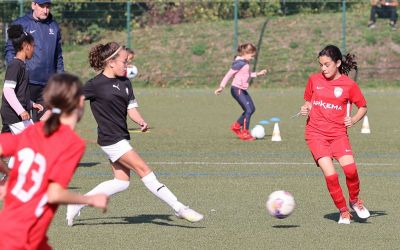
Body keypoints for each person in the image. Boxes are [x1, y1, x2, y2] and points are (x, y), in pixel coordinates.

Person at [66, 42, 203, 226]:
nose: (127, 66)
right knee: (145, 171)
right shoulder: (95, 85)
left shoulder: (125, 82)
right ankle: (180, 208)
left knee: (122, 182)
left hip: (120, 136)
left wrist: (140, 120)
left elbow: (131, 108)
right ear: (111, 62)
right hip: (111, 139)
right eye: (124, 61)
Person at [0, 73, 108, 249]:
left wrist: (9, 175)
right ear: (80, 102)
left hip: (14, 230)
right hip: (24, 237)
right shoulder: (72, 143)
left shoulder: (33, 130)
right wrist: (90, 200)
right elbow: (53, 193)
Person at [298, 45, 370, 225]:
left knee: (351, 171)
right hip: (315, 134)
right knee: (331, 174)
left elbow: (363, 106)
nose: (323, 69)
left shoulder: (349, 85)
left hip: (338, 134)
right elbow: (308, 101)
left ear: (337, 63)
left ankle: (354, 201)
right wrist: (306, 107)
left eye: (327, 64)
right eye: (321, 65)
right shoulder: (314, 80)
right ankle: (344, 211)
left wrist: (353, 120)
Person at [5, 0, 64, 121]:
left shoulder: (54, 26)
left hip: (47, 85)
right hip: (26, 84)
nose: (45, 10)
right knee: (22, 125)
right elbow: (10, 50)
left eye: (48, 7)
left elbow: (58, 56)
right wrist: (16, 73)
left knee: (44, 126)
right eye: (42, 6)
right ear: (33, 5)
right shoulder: (20, 24)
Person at [214, 43, 267, 141]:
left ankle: (236, 126)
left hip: (241, 89)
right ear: (246, 53)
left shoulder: (244, 63)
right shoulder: (240, 63)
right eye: (252, 55)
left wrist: (258, 74)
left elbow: (246, 74)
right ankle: (245, 133)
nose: (252, 58)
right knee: (248, 110)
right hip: (236, 89)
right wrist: (221, 87)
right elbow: (228, 75)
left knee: (252, 109)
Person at [1, 24, 43, 134]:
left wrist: (31, 104)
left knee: (6, 146)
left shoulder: (22, 66)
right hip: (14, 115)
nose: (34, 49)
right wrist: (21, 111)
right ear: (26, 46)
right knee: (33, 140)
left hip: (17, 115)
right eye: (33, 46)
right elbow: (8, 91)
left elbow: (20, 93)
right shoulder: (15, 65)